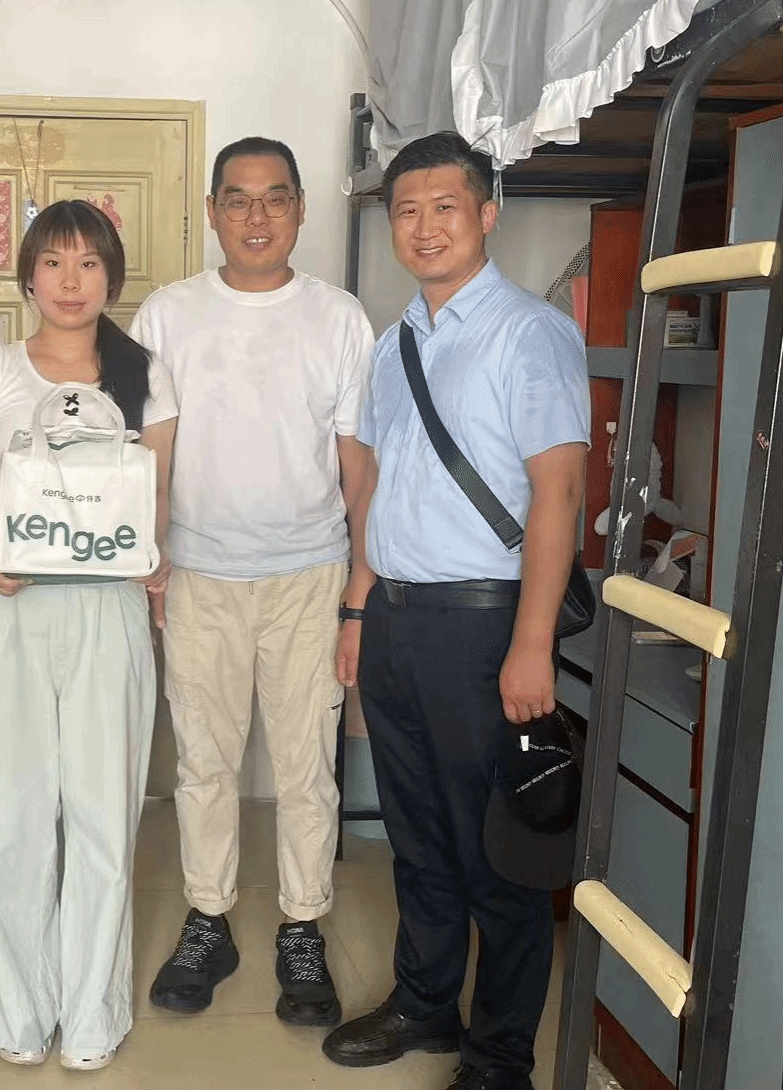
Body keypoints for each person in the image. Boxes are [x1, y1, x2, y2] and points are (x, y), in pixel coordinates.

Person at [322, 131, 588, 1091]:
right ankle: (425, 1002)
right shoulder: (394, 344)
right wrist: (360, 609)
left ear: (487, 214)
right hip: (396, 622)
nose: (425, 227)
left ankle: (500, 1056)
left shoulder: (529, 333)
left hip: (485, 628)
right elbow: (376, 486)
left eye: (445, 207)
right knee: (418, 834)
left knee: (497, 854)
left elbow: (558, 492)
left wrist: (530, 645)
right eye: (407, 211)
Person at [130, 136, 375, 1027]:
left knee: (308, 765)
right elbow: (147, 450)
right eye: (238, 198)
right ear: (212, 211)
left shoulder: (339, 318)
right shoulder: (168, 314)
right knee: (205, 761)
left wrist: (360, 593)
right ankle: (210, 918)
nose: (257, 215)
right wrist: (147, 558)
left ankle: (302, 926)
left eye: (276, 197)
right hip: (198, 572)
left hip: (310, 573)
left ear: (301, 208)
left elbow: (358, 464)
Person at [0, 200, 177, 1072]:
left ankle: (91, 1014)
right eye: (53, 262)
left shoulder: (145, 375)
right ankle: (18, 1010)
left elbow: (157, 497)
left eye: (88, 263)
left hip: (106, 612)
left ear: (112, 277)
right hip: (15, 607)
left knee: (101, 815)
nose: (71, 281)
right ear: (29, 276)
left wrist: (151, 554)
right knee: (12, 815)